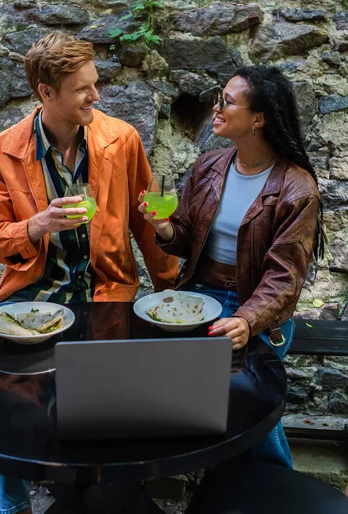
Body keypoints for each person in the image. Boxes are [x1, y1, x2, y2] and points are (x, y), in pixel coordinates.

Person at [0, 32, 178, 514]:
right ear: (47, 93)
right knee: (9, 403)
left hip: (108, 296)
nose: (97, 96)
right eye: (83, 89)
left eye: (96, 83)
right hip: (32, 301)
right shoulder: (1, 152)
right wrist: (37, 225)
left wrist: (171, 290)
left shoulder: (120, 139)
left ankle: (104, 492)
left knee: (113, 409)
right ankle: (11, 507)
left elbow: (147, 224)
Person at [139, 65, 325, 468]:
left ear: (258, 118)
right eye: (218, 98)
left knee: (243, 385)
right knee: (154, 366)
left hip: (257, 309)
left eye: (227, 101)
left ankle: (276, 484)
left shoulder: (296, 188)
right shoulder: (210, 166)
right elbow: (187, 238)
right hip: (199, 298)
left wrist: (246, 319)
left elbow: (285, 276)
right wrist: (163, 227)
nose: (216, 107)